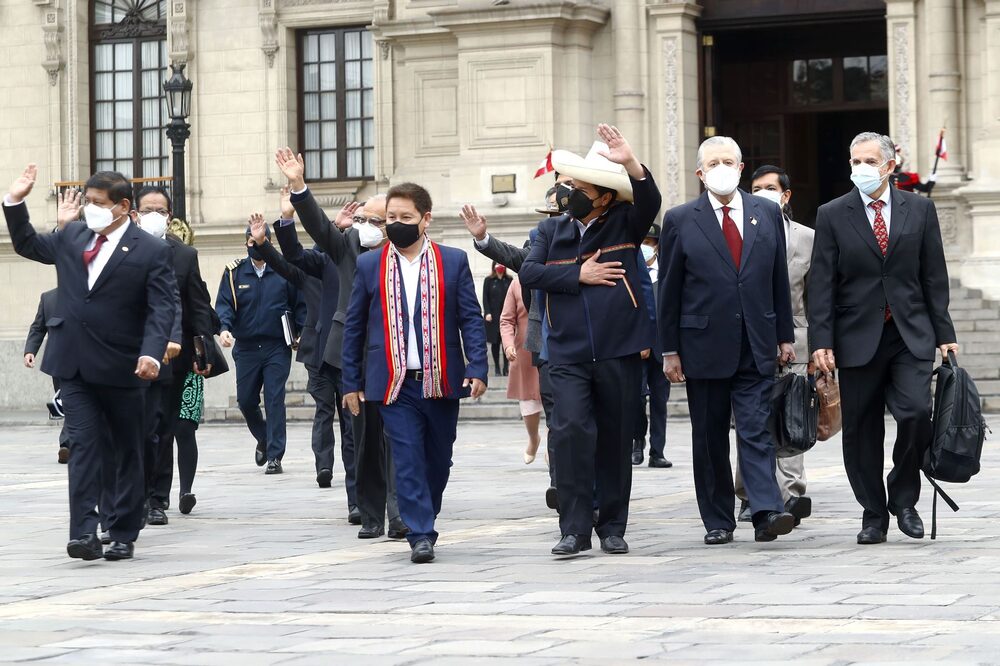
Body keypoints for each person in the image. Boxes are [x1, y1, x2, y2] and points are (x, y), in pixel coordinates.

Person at [4, 165, 176, 561]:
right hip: (74, 365)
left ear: (122, 206)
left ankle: (122, 531)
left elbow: (161, 307)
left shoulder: (151, 250)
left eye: (98, 204)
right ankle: (84, 531)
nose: (90, 211)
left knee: (128, 449)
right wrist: (15, 202)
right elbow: (27, 244)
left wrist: (151, 352)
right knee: (83, 445)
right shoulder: (73, 237)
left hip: (124, 367)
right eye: (87, 203)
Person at [808, 131, 957, 544]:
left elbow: (933, 275)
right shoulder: (833, 213)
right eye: (855, 161)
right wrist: (821, 340)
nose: (860, 169)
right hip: (856, 337)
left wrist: (945, 333)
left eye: (869, 161)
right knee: (861, 429)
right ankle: (873, 513)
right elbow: (821, 282)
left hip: (909, 333)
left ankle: (903, 498)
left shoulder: (920, 209)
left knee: (914, 414)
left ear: (890, 165)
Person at [520, 124, 659, 557]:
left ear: (602, 195)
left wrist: (630, 162)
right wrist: (576, 276)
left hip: (619, 350)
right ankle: (575, 529)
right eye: (568, 184)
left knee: (616, 439)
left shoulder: (624, 222)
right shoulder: (550, 232)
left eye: (578, 187)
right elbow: (529, 273)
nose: (567, 192)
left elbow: (650, 199)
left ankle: (613, 526)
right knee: (571, 434)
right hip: (565, 352)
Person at [339, 180, 487, 564]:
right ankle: (420, 532)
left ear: (425, 220)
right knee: (405, 457)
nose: (397, 223)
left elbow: (470, 318)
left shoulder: (452, 261)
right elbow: (354, 326)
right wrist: (351, 382)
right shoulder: (370, 264)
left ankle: (426, 510)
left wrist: (478, 366)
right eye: (391, 218)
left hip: (441, 380)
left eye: (406, 217)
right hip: (394, 384)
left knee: (438, 460)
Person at [659, 136, 797, 546]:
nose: (721, 167)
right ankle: (718, 519)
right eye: (712, 162)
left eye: (728, 161)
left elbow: (778, 280)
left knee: (756, 430)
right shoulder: (681, 219)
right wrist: (669, 349)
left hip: (756, 342)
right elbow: (668, 289)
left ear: (740, 168)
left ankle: (766, 511)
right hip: (702, 346)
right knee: (710, 435)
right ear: (700, 173)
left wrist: (784, 335)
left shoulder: (765, 212)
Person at [274, 147, 408, 540]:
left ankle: (399, 514)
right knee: (362, 439)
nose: (367, 226)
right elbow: (315, 228)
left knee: (398, 438)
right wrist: (299, 187)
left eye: (377, 221)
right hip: (352, 356)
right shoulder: (346, 246)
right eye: (363, 219)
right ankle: (369, 514)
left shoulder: (405, 251)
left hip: (398, 355)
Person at [459, 189, 565, 512]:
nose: (555, 218)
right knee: (558, 422)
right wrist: (484, 239)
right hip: (546, 349)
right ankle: (559, 486)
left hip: (593, 347)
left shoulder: (597, 237)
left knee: (579, 423)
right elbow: (516, 259)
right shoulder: (538, 244)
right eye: (550, 213)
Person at [250, 188, 356, 506]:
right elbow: (287, 261)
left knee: (351, 419)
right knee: (324, 410)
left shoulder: (356, 262)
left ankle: (355, 482)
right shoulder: (314, 266)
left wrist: (336, 229)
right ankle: (324, 466)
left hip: (347, 353)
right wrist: (272, 233)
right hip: (318, 351)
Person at [732, 165, 814, 526]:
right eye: (756, 187)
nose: (762, 192)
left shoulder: (808, 237)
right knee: (750, 419)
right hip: (748, 340)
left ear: (786, 195)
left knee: (791, 414)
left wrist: (820, 348)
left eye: (770, 187)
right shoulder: (738, 233)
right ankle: (749, 493)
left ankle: (793, 493)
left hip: (796, 339)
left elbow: (815, 297)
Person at [132, 186, 216, 525]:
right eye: (147, 209)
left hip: (172, 355)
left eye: (160, 210)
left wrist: (203, 349)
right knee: (134, 428)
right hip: (128, 353)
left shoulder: (184, 256)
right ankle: (132, 494)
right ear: (134, 213)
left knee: (163, 428)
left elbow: (198, 307)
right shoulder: (120, 252)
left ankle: (156, 498)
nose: (154, 215)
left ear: (169, 216)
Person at [216, 221, 306, 475]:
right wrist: (224, 328)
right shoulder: (234, 273)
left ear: (269, 242)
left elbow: (299, 303)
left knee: (274, 398)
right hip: (246, 347)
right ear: (246, 242)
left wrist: (300, 332)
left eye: (260, 241)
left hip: (277, 345)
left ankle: (275, 456)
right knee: (246, 400)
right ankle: (265, 439)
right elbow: (224, 304)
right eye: (251, 241)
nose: (254, 245)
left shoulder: (283, 270)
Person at [632, 223, 672, 469]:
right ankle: (637, 444)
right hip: (637, 348)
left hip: (663, 348)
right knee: (636, 400)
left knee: (660, 402)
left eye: (650, 242)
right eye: (642, 242)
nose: (645, 247)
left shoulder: (667, 273)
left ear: (657, 245)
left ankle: (658, 450)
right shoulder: (631, 272)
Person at [25, 287, 72, 463]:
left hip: (87, 361)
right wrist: (30, 351)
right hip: (60, 363)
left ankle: (69, 443)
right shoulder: (48, 298)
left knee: (76, 402)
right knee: (69, 402)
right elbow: (38, 327)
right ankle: (68, 444)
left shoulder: (89, 292)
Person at [500, 274, 543, 464]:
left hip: (554, 351)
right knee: (528, 404)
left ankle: (554, 447)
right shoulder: (516, 283)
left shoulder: (556, 275)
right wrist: (508, 344)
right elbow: (507, 320)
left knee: (560, 404)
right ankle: (534, 439)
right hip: (524, 354)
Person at [482, 261, 513, 376]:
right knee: (495, 343)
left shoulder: (509, 280)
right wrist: (487, 313)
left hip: (506, 316)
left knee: (506, 342)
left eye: (502, 265)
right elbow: (485, 297)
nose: (500, 267)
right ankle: (497, 368)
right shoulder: (489, 280)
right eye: (498, 265)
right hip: (493, 317)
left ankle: (506, 367)